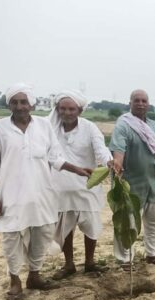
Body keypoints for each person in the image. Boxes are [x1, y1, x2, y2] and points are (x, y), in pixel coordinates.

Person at [0, 84, 92, 300]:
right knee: (12, 236)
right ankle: (14, 279)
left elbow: (55, 157)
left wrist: (77, 169)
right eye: (15, 102)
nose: (20, 106)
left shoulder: (44, 126)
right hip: (11, 193)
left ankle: (34, 275)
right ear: (9, 105)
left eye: (24, 102)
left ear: (32, 104)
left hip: (42, 191)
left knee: (43, 232)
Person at [49, 90, 113, 280]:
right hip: (61, 186)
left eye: (71, 109)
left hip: (88, 184)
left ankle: (90, 263)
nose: (67, 113)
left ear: (79, 110)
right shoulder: (51, 129)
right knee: (65, 228)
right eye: (63, 109)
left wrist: (109, 161)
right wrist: (72, 168)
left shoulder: (90, 128)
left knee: (91, 226)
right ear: (57, 109)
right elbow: (50, 156)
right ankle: (69, 264)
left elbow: (100, 150)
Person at [109, 89, 155, 269]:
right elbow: (118, 151)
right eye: (137, 100)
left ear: (148, 104)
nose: (141, 103)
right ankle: (124, 259)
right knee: (128, 223)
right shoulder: (123, 125)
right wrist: (117, 167)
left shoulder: (154, 126)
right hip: (131, 183)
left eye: (144, 101)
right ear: (130, 103)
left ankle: (153, 254)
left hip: (153, 182)